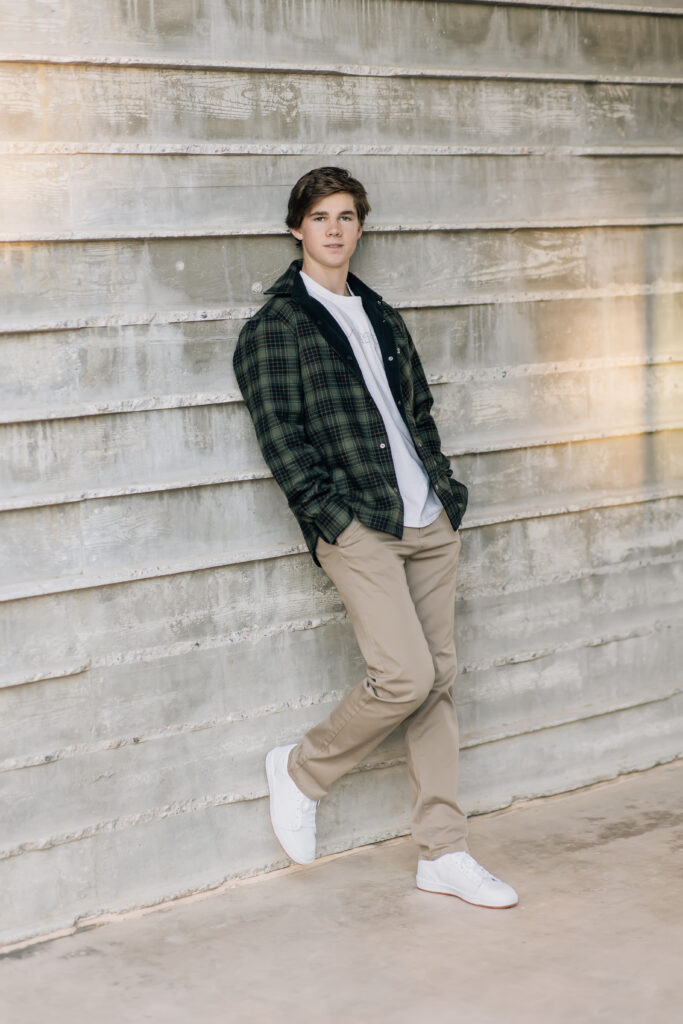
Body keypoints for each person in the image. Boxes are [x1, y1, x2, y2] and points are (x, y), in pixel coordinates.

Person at [233, 166, 518, 908]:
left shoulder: (381, 313)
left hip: (427, 519)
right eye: (321, 216)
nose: (335, 229)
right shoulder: (274, 327)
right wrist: (332, 518)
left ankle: (442, 852)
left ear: (360, 227)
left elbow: (418, 414)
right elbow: (281, 441)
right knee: (405, 676)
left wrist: (446, 496)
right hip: (357, 524)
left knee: (437, 686)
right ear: (296, 228)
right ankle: (302, 770)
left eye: (347, 216)